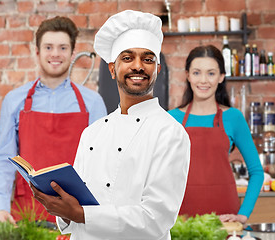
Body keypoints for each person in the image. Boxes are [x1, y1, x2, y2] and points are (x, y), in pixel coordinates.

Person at [30, 10, 191, 240]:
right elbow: (75, 213)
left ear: (157, 68)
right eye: (127, 58)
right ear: (112, 69)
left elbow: (156, 220)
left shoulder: (170, 133)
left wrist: (81, 214)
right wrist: (63, 210)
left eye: (147, 59)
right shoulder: (93, 133)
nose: (138, 66)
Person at [0, 16, 107, 227]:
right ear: (37, 52)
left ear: (71, 53)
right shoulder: (14, 101)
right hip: (27, 216)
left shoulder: (92, 103)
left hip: (77, 218)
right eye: (48, 47)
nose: (55, 54)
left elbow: (102, 164)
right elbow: (3, 161)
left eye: (62, 47)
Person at [168, 45, 264, 224]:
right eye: (197, 73)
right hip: (182, 217)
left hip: (225, 216)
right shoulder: (171, 119)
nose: (203, 80)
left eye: (211, 73)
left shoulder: (233, 118)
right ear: (188, 75)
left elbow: (257, 172)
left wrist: (242, 215)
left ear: (221, 77)